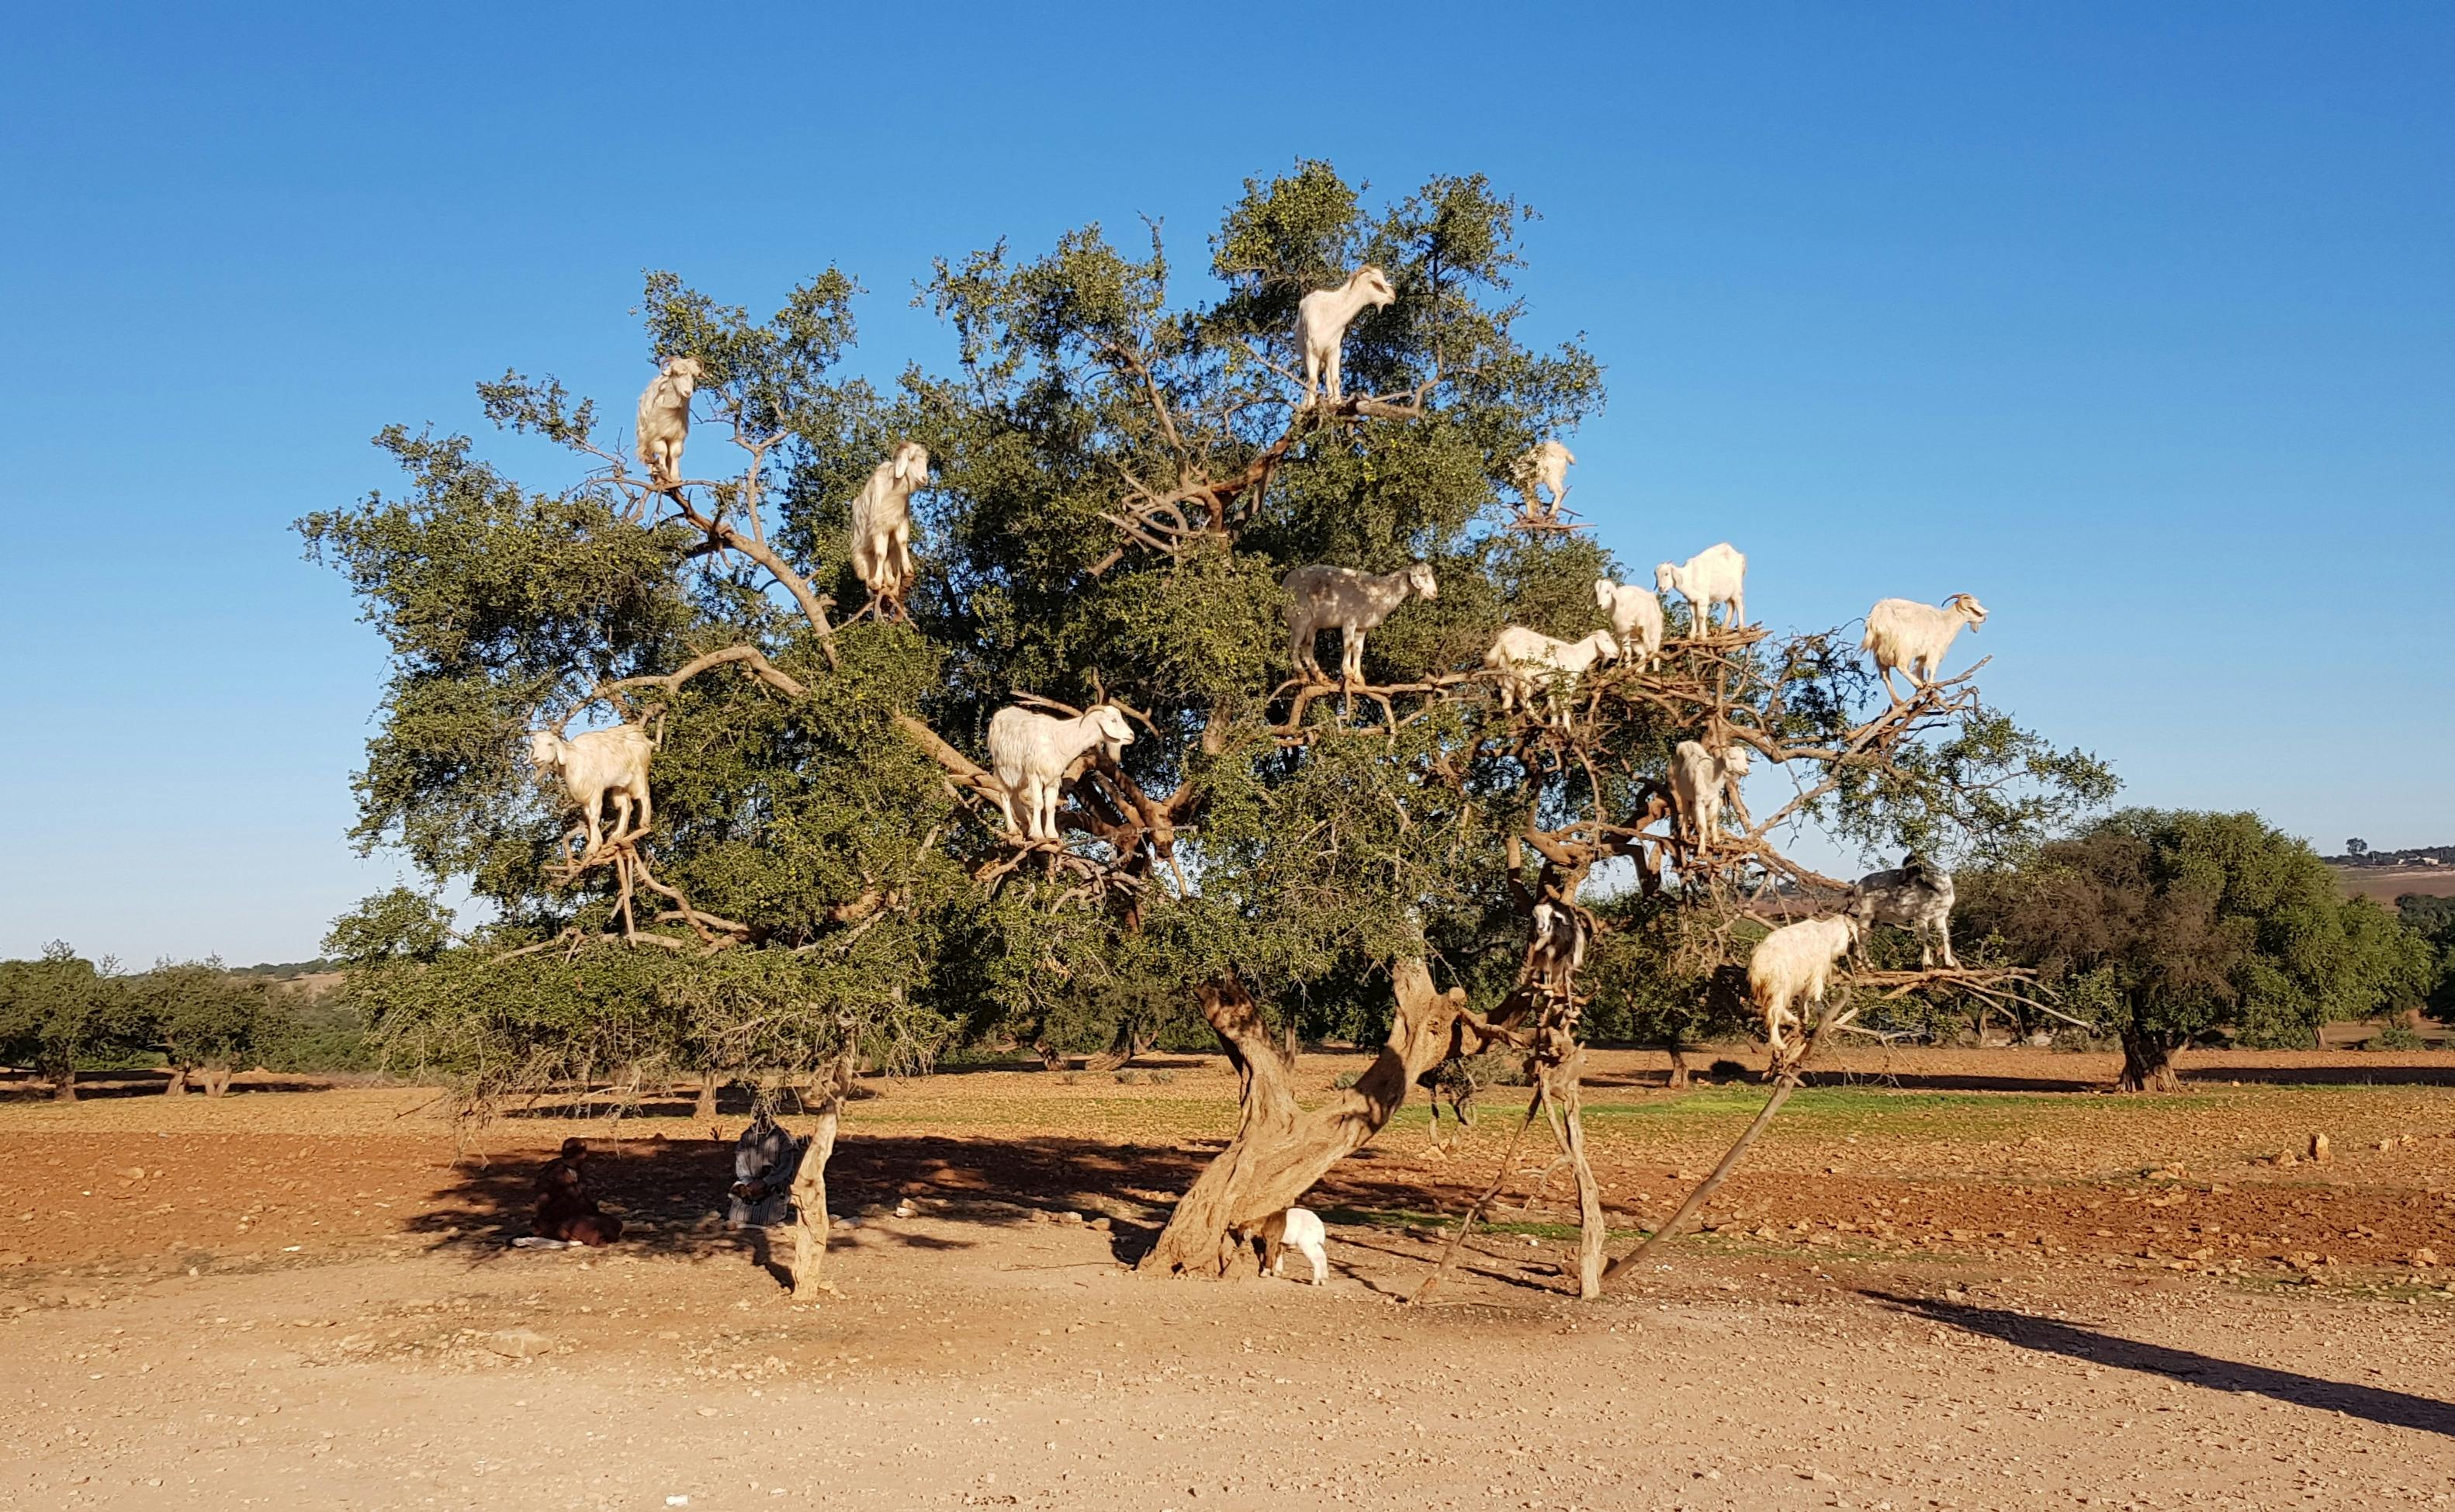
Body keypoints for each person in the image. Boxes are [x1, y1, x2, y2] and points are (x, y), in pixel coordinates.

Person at [534, 1137, 623, 1246]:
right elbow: (550, 1202)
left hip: (578, 1216)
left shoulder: (577, 1170)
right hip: (558, 1220)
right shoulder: (555, 1173)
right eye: (583, 1153)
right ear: (577, 1155)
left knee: (612, 1223)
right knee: (593, 1228)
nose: (585, 1156)